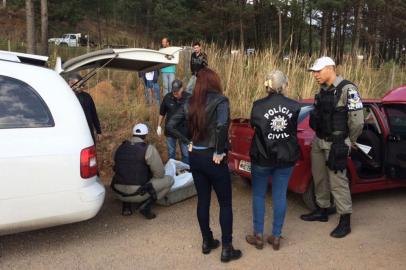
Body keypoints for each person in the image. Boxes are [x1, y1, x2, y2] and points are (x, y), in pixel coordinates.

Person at [166, 68, 242, 263]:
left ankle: (207, 241)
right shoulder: (220, 100)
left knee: (203, 201)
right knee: (225, 203)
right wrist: (218, 150)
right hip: (213, 158)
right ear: (214, 81)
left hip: (196, 157)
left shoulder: (190, 102)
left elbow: (170, 125)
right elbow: (221, 125)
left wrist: (187, 140)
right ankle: (227, 248)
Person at [300, 57, 364, 238]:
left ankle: (345, 220)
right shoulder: (322, 90)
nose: (315, 75)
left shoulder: (348, 89)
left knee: (338, 182)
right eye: (314, 72)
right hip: (319, 141)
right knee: (319, 178)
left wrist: (349, 141)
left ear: (330, 68)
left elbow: (357, 121)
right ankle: (322, 210)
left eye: (318, 71)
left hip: (336, 143)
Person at [245, 70, 301, 251]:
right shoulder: (294, 106)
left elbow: (253, 125)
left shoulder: (258, 105)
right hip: (286, 158)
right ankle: (276, 236)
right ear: (284, 85)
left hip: (262, 157)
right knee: (280, 195)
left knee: (259, 195)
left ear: (267, 85)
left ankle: (258, 235)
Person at [111, 123, 174, 219]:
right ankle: (145, 206)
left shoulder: (119, 147)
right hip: (137, 193)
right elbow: (160, 174)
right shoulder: (148, 149)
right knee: (169, 180)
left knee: (125, 175)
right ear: (145, 135)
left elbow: (116, 167)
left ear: (133, 134)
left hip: (118, 191)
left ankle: (126, 206)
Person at [157, 79, 191, 164]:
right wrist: (159, 126)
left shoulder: (189, 97)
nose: (175, 93)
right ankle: (172, 171)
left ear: (181, 89)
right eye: (173, 91)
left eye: (177, 91)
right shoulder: (167, 97)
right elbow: (162, 113)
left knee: (186, 153)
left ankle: (185, 172)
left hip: (183, 131)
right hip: (170, 131)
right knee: (171, 152)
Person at [68, 74, 102, 144]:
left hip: (88, 131)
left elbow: (93, 114)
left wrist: (98, 131)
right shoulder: (65, 96)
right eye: (80, 85)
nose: (82, 87)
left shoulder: (87, 97)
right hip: (72, 133)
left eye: (83, 85)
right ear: (71, 84)